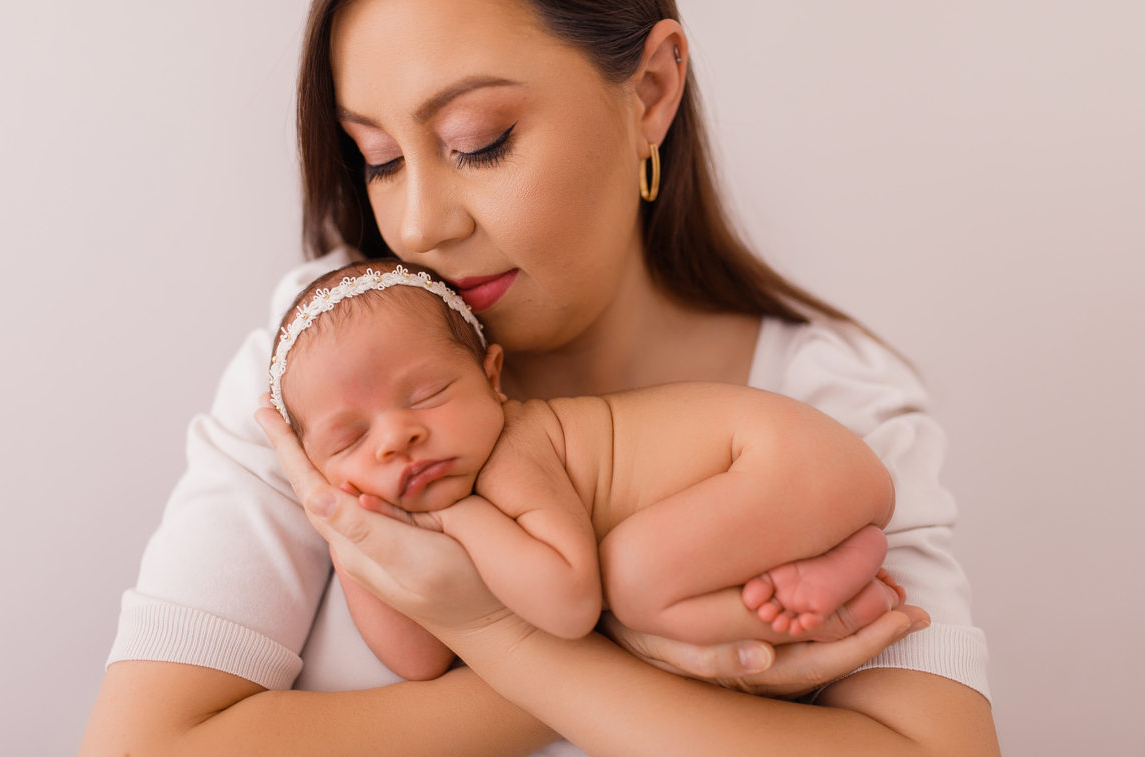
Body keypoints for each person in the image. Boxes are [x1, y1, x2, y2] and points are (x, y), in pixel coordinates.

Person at [74, 0, 1003, 757]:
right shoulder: (329, 366)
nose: (420, 225)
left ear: (648, 91)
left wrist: (499, 634)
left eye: (479, 140)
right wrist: (653, 656)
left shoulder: (830, 402)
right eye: (381, 159)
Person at [269, 260, 905, 681]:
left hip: (786, 456)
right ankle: (841, 566)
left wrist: (461, 516)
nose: (397, 437)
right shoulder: (446, 483)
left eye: (428, 395)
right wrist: (342, 525)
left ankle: (842, 596)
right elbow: (422, 656)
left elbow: (571, 605)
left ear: (492, 379)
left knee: (628, 582)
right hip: (803, 477)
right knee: (644, 582)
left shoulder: (516, 453)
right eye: (349, 438)